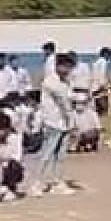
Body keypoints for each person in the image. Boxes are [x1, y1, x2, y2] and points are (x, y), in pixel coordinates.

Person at [30, 53, 77, 197]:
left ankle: (57, 181)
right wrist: (80, 98)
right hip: (52, 122)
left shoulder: (66, 82)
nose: (68, 70)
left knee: (61, 155)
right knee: (47, 153)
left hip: (64, 123)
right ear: (58, 66)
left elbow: (69, 98)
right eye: (66, 66)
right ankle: (36, 183)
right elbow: (63, 99)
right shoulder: (50, 82)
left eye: (70, 67)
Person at [91, 47, 111, 118]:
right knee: (103, 108)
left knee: (97, 108)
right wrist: (103, 85)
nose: (109, 57)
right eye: (109, 55)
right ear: (105, 54)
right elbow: (103, 73)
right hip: (100, 86)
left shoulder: (96, 62)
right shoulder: (103, 62)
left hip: (94, 86)